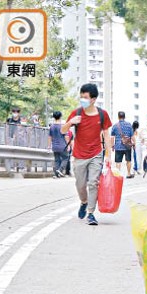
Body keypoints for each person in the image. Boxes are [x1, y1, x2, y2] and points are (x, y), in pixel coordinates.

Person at [61, 83, 113, 226]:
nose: (82, 100)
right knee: (80, 184)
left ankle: (91, 213)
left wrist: (108, 155)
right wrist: (71, 122)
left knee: (93, 183)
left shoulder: (102, 115)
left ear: (93, 99)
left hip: (96, 154)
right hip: (79, 155)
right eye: (81, 97)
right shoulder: (76, 113)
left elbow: (107, 135)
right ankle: (83, 202)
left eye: (85, 97)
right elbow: (63, 131)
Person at [110, 111, 135, 178]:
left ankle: (118, 175)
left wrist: (112, 146)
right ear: (124, 117)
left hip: (118, 146)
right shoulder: (129, 125)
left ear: (118, 117)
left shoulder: (115, 126)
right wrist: (134, 144)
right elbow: (132, 136)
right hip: (128, 146)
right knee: (128, 160)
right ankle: (129, 174)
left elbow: (112, 137)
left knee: (118, 162)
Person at [48, 111, 70, 178]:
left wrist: (49, 146)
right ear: (60, 117)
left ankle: (56, 174)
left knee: (57, 160)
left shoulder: (51, 127)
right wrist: (68, 145)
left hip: (54, 146)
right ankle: (60, 170)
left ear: (54, 117)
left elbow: (50, 137)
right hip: (62, 146)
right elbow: (66, 137)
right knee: (66, 158)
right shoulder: (62, 126)